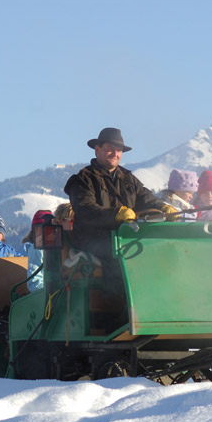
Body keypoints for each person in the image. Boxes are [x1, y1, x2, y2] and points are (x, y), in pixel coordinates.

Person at [63, 127, 174, 311]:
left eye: (119, 150)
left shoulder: (128, 178)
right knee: (120, 257)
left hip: (125, 237)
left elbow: (146, 199)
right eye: (110, 148)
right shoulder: (83, 179)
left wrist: (163, 207)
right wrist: (115, 214)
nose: (115, 153)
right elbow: (85, 210)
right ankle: (117, 315)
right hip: (92, 239)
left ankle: (156, 308)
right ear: (97, 149)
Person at [21, 210, 52, 292]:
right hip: (44, 295)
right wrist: (50, 290)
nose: (45, 232)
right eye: (41, 229)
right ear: (34, 231)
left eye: (49, 229)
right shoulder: (37, 249)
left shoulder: (58, 248)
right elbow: (33, 282)